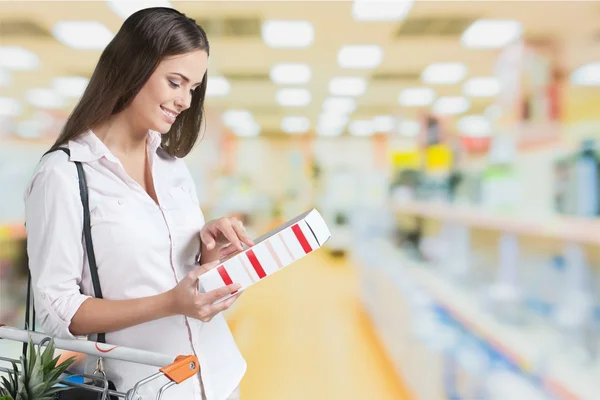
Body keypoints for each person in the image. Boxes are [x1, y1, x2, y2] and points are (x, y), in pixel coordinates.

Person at [24, 7, 254, 400]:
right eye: (175, 82)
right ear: (134, 66)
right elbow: (56, 310)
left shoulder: (173, 168)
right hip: (145, 388)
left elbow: (177, 274)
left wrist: (207, 259)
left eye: (193, 88)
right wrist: (171, 303)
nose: (184, 100)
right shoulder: (64, 175)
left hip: (221, 378)